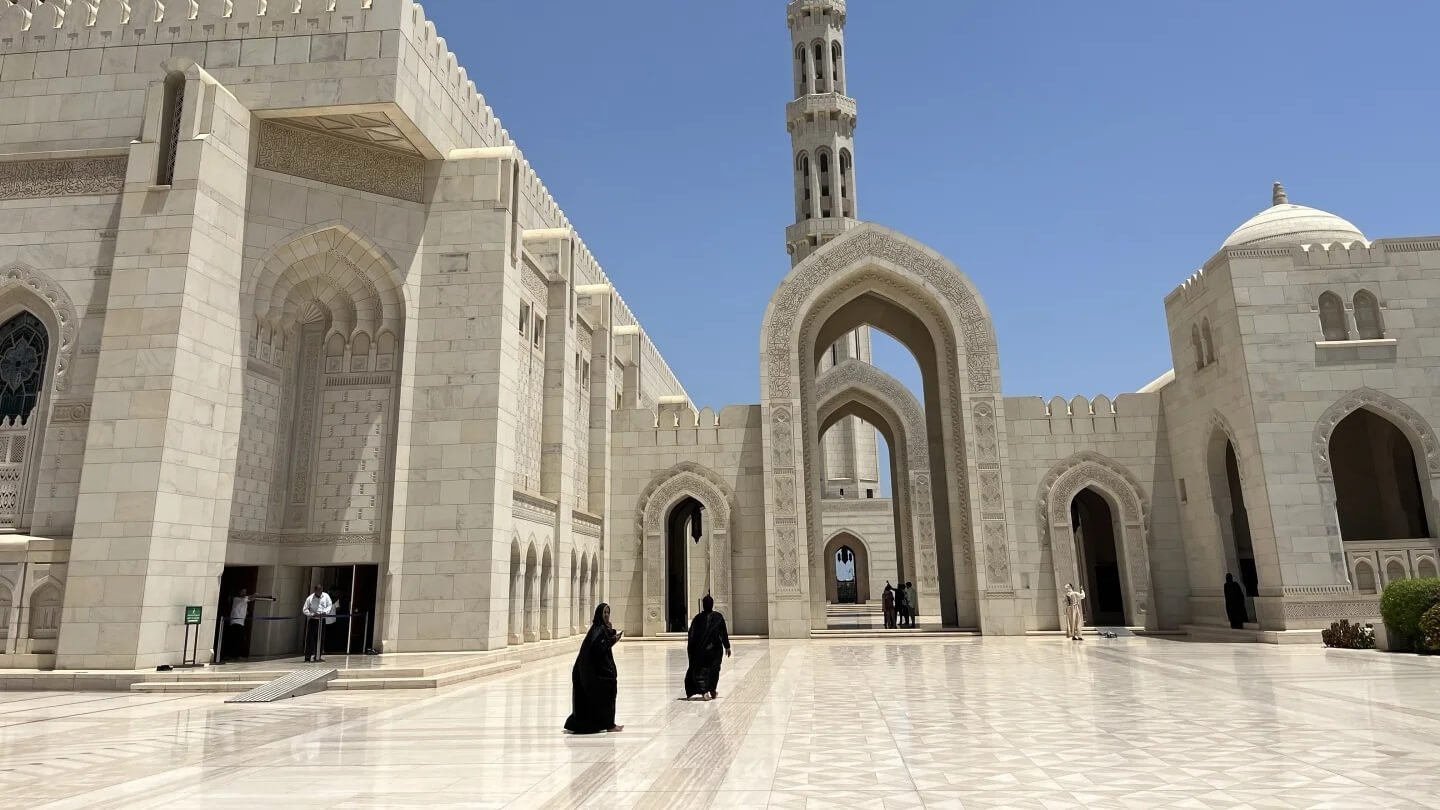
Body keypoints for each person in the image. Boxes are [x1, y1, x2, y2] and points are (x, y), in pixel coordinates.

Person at [564, 602, 625, 734]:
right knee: (606, 697)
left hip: (602, 671)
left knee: (606, 698)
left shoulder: (602, 628)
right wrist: (612, 640)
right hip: (598, 674)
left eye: (608, 612)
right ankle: (609, 725)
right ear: (599, 614)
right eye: (604, 613)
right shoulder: (597, 630)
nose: (607, 615)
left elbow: (602, 646)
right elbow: (597, 649)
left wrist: (611, 636)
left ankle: (609, 723)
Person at [684, 594, 731, 700]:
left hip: (702, 651)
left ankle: (705, 691)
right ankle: (712, 690)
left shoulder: (698, 618)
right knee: (714, 670)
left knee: (702, 671)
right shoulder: (718, 617)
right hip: (715, 650)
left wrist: (692, 650)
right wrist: (727, 647)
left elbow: (692, 635)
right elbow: (723, 633)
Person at [222, 588, 275, 663]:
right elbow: (250, 598)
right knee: (235, 640)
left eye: (245, 592)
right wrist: (254, 595)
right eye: (242, 592)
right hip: (235, 622)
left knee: (239, 640)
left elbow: (252, 599)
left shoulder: (244, 600)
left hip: (240, 623)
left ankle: (236, 655)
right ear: (239, 592)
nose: (244, 593)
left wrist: (266, 597)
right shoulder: (236, 599)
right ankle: (232, 656)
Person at [301, 585, 334, 663]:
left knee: (320, 638)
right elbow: (305, 609)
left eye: (321, 590)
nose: (320, 592)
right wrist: (312, 614)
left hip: (322, 620)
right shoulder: (310, 598)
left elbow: (329, 605)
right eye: (318, 590)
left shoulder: (326, 596)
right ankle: (307, 657)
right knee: (310, 639)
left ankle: (318, 656)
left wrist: (326, 612)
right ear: (315, 590)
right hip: (313, 620)